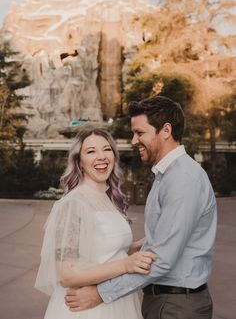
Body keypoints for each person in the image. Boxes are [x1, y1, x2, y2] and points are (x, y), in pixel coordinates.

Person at [65, 95, 217, 319]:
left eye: (140, 132)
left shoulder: (181, 179)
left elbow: (163, 258)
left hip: (176, 306)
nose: (134, 140)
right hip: (166, 301)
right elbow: (172, 235)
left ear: (165, 130)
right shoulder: (166, 175)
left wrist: (100, 293)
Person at [35, 128, 155, 319]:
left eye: (107, 149)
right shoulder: (73, 204)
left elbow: (102, 251)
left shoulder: (107, 198)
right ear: (79, 162)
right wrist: (126, 265)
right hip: (88, 310)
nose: (101, 157)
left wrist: (136, 246)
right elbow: (67, 275)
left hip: (118, 302)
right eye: (91, 151)